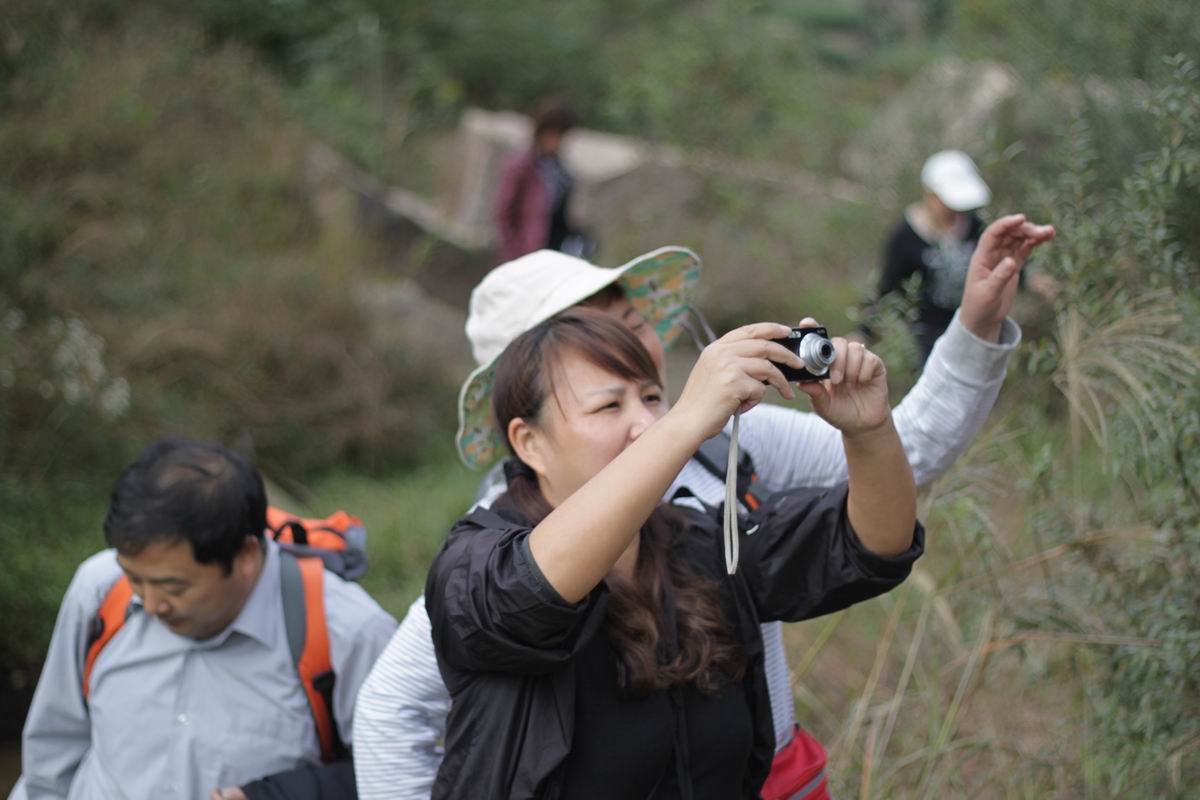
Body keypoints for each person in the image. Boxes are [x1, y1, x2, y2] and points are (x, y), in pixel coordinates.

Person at [354, 212, 1055, 799]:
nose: (635, 354)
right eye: (600, 349)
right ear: (525, 430)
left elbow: (868, 534)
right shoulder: (489, 552)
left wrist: (877, 418)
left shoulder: (704, 510)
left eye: (634, 330)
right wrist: (684, 421)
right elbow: (428, 677)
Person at [427, 307, 924, 797]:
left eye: (652, 398)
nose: (645, 423)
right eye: (609, 406)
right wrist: (685, 420)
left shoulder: (700, 543)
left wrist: (870, 431)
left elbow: (872, 544)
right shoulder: (475, 565)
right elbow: (531, 591)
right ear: (528, 442)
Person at [11, 438, 397, 800]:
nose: (150, 604)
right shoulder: (99, 591)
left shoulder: (347, 633)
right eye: (135, 579)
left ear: (245, 556)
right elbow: (51, 756)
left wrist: (283, 794)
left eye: (173, 588)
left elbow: (404, 777)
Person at [868, 150, 1057, 361]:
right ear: (930, 195)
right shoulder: (905, 237)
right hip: (927, 337)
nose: (955, 211)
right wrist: (866, 331)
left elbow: (999, 259)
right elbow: (888, 287)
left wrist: (1029, 277)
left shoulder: (974, 226)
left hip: (971, 329)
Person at [495, 97, 587, 262]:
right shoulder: (521, 166)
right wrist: (516, 254)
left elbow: (559, 217)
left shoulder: (560, 171)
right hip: (523, 256)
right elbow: (504, 214)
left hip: (551, 253)